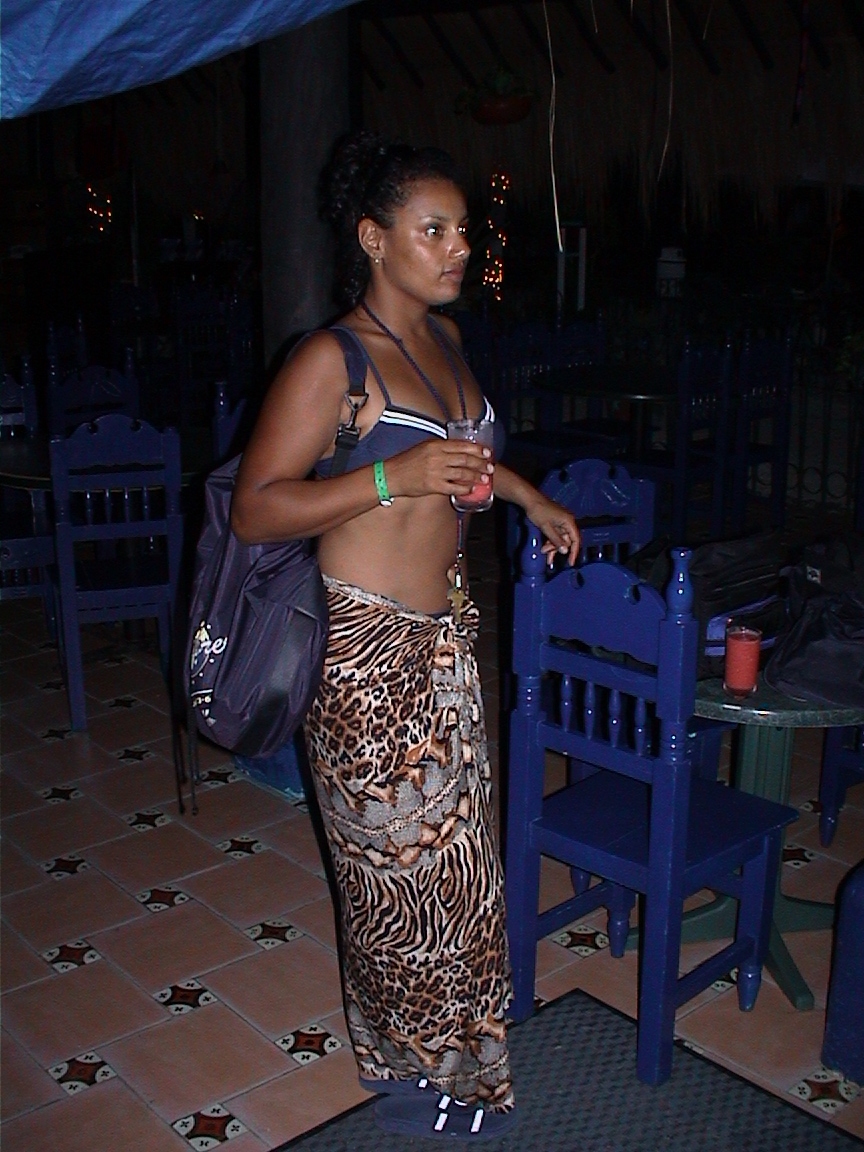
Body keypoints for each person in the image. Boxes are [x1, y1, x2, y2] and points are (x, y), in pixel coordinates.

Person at [231, 131, 581, 1141]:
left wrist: (527, 495)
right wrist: (390, 477)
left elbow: (462, 462)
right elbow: (256, 509)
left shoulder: (445, 340)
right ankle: (404, 1069)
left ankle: (461, 1050)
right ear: (374, 238)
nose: (459, 247)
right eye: (435, 230)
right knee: (392, 882)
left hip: (447, 638)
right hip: (361, 655)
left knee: (461, 868)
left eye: (464, 230)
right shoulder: (331, 360)